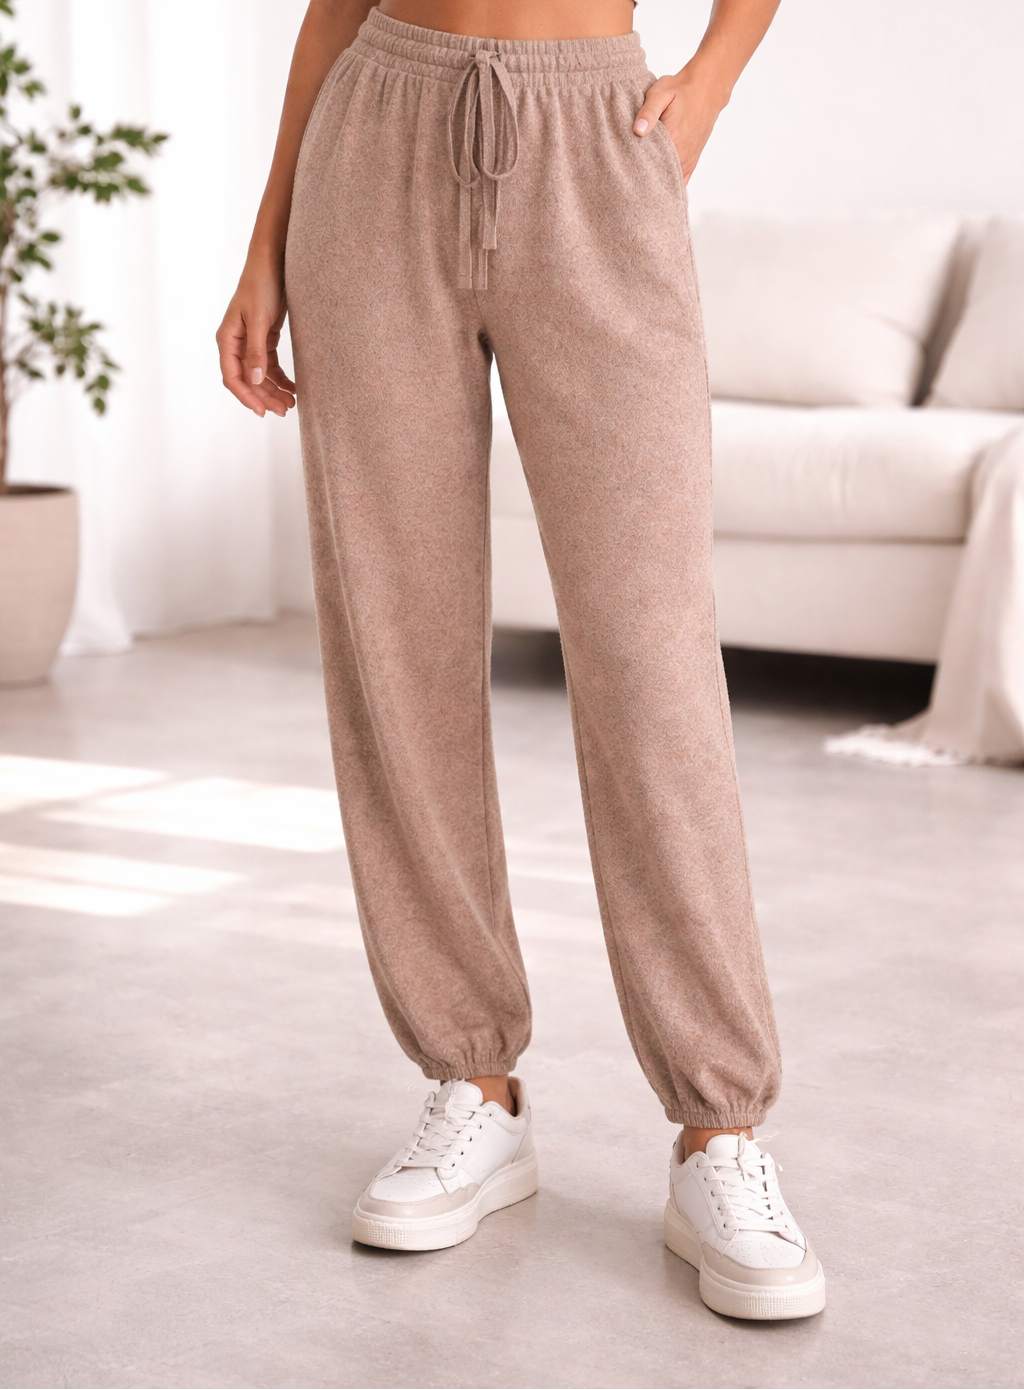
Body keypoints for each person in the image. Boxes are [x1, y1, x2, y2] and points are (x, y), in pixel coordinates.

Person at [217, 0, 825, 1321]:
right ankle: (472, 1083)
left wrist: (711, 80)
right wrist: (265, 240)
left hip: (595, 138)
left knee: (651, 654)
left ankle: (718, 1129)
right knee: (398, 637)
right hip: (374, 139)